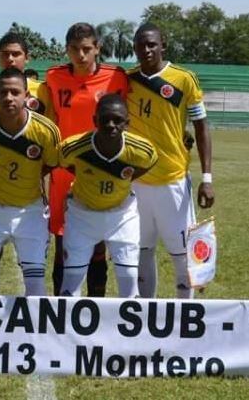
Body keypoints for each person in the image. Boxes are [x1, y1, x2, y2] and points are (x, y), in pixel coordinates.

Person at [127, 23, 215, 299]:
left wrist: (207, 178)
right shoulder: (127, 80)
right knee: (141, 252)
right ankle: (144, 314)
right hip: (136, 183)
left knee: (182, 254)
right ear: (134, 48)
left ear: (163, 45)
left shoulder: (184, 79)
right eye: (141, 45)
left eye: (152, 44)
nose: (146, 49)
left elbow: (201, 126)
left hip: (172, 181)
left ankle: (184, 315)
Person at [42, 22, 129, 296]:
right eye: (74, 49)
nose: (80, 55)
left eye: (86, 49)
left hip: (101, 169)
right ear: (67, 49)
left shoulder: (116, 77)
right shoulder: (54, 76)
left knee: (98, 242)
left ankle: (96, 306)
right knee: (62, 242)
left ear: (97, 48)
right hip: (64, 169)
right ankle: (61, 307)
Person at [0, 67, 60, 296]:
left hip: (30, 212)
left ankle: (35, 323)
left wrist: (25, 183)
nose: (9, 97)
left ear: (27, 96)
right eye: (3, 92)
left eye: (15, 92)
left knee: (36, 285)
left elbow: (50, 164)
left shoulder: (46, 130)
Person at [59, 94, 158, 298]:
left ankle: (130, 320)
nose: (111, 125)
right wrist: (90, 176)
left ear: (127, 123)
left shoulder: (142, 150)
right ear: (95, 120)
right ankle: (69, 320)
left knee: (129, 281)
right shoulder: (72, 147)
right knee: (71, 284)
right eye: (105, 119)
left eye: (118, 120)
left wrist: (124, 177)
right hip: (82, 215)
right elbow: (64, 162)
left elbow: (150, 162)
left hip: (122, 215)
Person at [0, 32, 47, 121]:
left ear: (27, 58)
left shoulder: (42, 90)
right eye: (5, 54)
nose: (10, 59)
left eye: (16, 54)